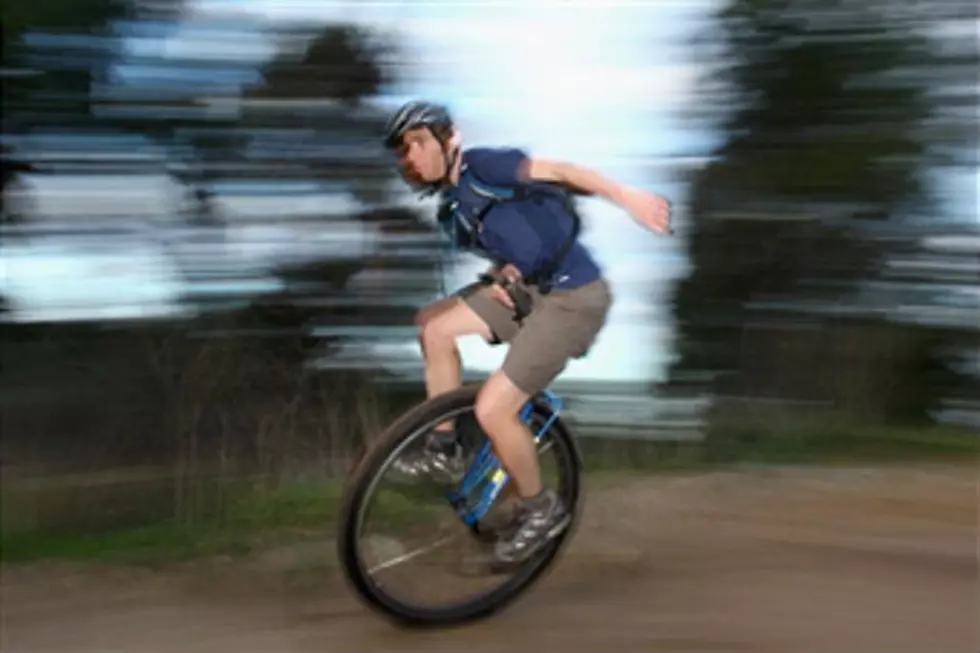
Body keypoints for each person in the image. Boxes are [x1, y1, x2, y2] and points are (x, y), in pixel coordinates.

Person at [383, 101, 671, 564]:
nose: (411, 157)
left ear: (448, 137)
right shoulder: (455, 210)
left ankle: (540, 510)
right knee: (436, 331)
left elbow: (560, 171)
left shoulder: (483, 166)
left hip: (574, 298)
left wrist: (628, 197)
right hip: (529, 293)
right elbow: (520, 245)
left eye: (418, 142)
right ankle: (445, 448)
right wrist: (501, 276)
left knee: (494, 407)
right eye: (404, 151)